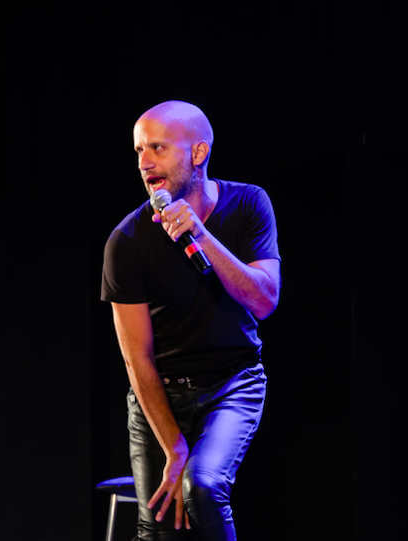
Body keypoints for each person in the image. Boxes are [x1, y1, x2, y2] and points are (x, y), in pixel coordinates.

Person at [101, 101, 281, 541]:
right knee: (158, 528)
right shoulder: (126, 241)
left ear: (198, 153)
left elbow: (264, 300)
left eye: (158, 148)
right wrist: (173, 446)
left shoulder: (248, 203)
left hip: (232, 384)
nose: (144, 163)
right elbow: (137, 359)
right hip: (160, 393)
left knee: (201, 486)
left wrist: (201, 234)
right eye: (139, 150)